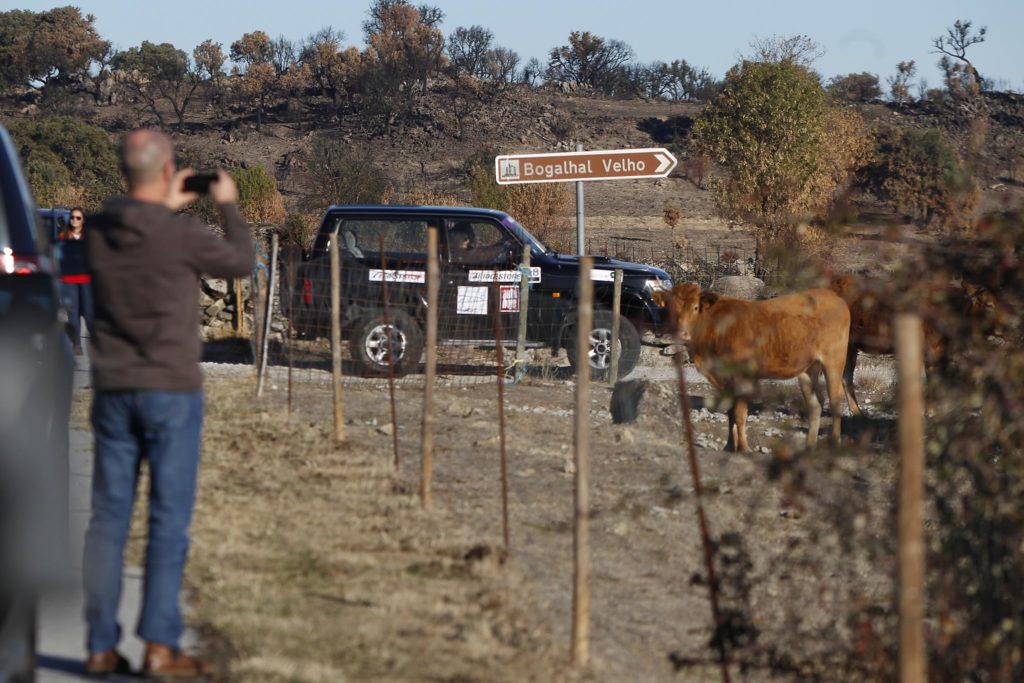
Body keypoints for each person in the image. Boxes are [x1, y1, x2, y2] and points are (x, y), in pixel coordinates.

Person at [82, 129, 255, 677]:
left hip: (113, 390)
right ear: (166, 172)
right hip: (171, 392)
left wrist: (161, 202)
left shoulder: (100, 231)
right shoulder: (180, 236)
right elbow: (241, 261)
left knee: (108, 520)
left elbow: (137, 223)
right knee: (167, 520)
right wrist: (225, 203)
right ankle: (159, 645)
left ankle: (99, 644)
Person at [57, 207, 93, 354]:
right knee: (72, 314)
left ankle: (97, 344)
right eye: (72, 217)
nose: (74, 220)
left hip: (86, 280)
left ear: (83, 220)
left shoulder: (89, 238)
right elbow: (58, 257)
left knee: (89, 313)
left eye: (78, 218)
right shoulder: (62, 238)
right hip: (68, 280)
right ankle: (76, 344)